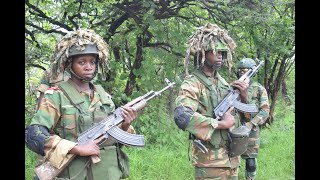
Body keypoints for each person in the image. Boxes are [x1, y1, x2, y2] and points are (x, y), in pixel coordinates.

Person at [25, 29, 137, 180]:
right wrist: (78, 148)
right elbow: (34, 134)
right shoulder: (56, 95)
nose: (88, 66)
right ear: (69, 64)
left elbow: (113, 140)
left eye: (92, 61)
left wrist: (125, 125)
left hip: (106, 173)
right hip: (74, 173)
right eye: (81, 62)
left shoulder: (104, 97)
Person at [174, 23, 249, 179]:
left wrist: (243, 96)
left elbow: (241, 119)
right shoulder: (193, 83)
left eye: (222, 52)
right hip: (209, 162)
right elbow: (182, 116)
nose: (220, 56)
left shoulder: (223, 83)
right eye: (215, 52)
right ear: (202, 54)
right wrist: (221, 124)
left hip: (231, 159)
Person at [236, 58, 270, 180]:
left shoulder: (259, 88)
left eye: (245, 71)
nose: (242, 73)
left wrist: (251, 124)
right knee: (232, 159)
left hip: (252, 130)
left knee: (250, 162)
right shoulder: (233, 87)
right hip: (234, 127)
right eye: (240, 70)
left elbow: (265, 111)